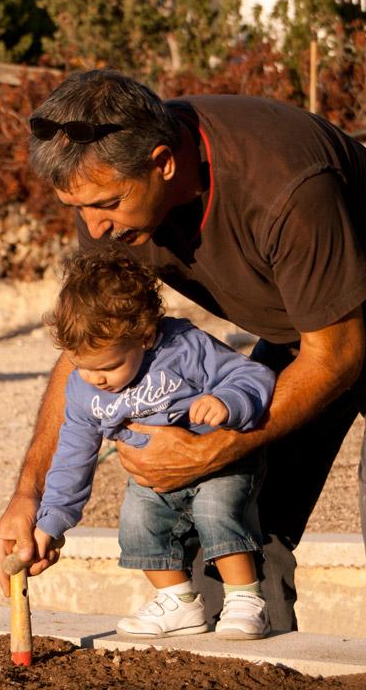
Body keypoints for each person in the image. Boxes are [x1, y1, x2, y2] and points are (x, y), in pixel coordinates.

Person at [0, 70, 366, 645]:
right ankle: (264, 668)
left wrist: (213, 448)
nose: (94, 227)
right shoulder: (113, 206)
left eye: (106, 204)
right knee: (241, 505)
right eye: (78, 208)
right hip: (305, 322)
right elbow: (92, 348)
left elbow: (338, 355)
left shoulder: (284, 185)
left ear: (163, 163)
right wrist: (30, 492)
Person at [34, 249, 276, 639]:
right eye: (83, 367)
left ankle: (244, 598)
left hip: (217, 462)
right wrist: (52, 523)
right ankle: (179, 602)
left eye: (109, 366)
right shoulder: (83, 391)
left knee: (217, 508)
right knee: (137, 521)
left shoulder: (184, 348)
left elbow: (251, 375)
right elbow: (72, 457)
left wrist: (226, 402)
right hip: (154, 479)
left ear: (145, 336)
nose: (96, 379)